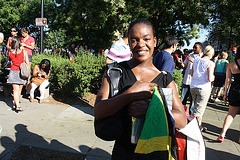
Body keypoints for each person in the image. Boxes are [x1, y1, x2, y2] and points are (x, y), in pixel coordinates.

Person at [94, 19, 187, 159]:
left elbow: (182, 119)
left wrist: (150, 111)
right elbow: (98, 111)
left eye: (146, 39)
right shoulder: (115, 72)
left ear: (154, 41)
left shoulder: (165, 79)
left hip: (156, 153)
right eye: (134, 40)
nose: (141, 44)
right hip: (124, 152)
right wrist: (129, 94)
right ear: (129, 43)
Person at [216, 47, 240, 143]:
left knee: (231, 114)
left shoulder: (231, 64)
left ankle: (222, 134)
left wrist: (225, 93)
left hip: (234, 90)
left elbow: (228, 80)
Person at [190, 45, 215, 130]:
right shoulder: (210, 63)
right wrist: (214, 77)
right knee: (199, 111)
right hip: (204, 88)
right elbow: (210, 78)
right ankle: (194, 129)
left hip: (193, 86)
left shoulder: (196, 60)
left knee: (196, 108)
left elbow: (192, 74)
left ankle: (199, 126)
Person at [179, 42, 203, 114]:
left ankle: (190, 117)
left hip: (195, 83)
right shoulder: (190, 56)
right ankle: (181, 113)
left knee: (193, 102)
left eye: (196, 47)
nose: (194, 49)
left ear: (200, 48)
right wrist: (181, 62)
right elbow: (184, 66)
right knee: (183, 99)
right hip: (186, 81)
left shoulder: (202, 57)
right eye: (193, 47)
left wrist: (193, 61)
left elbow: (201, 69)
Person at [7, 36, 30, 112]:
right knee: (19, 89)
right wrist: (28, 75)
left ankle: (15, 103)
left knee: (15, 90)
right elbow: (27, 63)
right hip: (21, 72)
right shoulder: (24, 52)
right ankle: (18, 105)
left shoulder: (9, 52)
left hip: (13, 71)